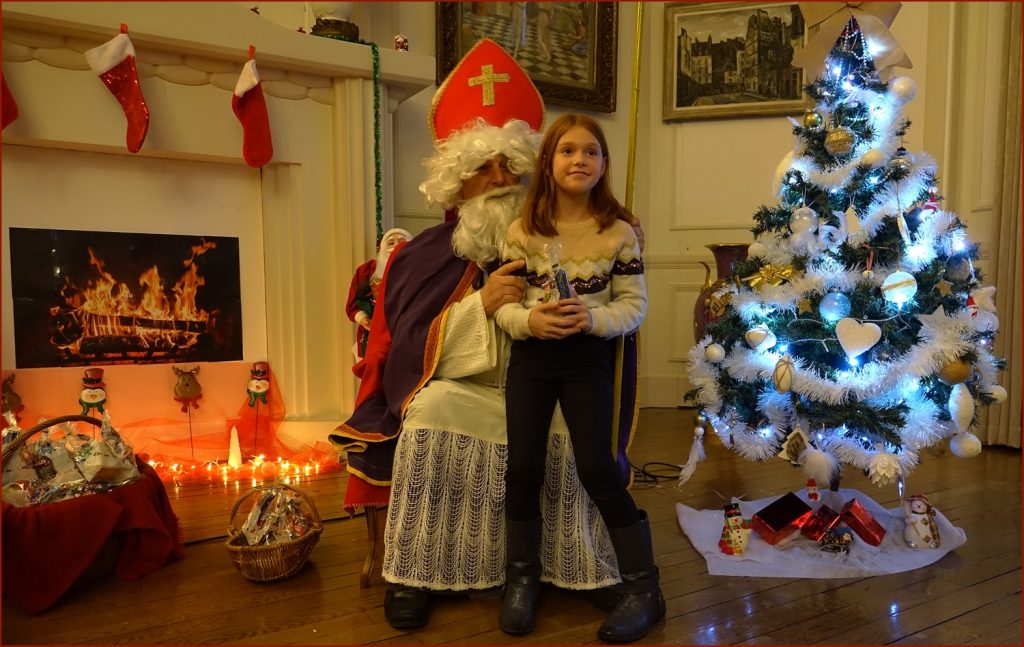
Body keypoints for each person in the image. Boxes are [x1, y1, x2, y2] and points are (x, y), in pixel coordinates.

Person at [329, 39, 643, 631]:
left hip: (552, 377)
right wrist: (480, 305)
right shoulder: (423, 255)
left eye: (511, 165)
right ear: (455, 183)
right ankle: (417, 573)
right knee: (429, 413)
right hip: (468, 388)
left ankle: (580, 565)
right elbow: (406, 352)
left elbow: (619, 300)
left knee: (576, 430)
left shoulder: (574, 233)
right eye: (481, 168)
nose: (499, 179)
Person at [493, 114, 664, 643]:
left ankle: (645, 588)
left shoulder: (618, 234)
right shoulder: (521, 233)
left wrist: (593, 319)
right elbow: (503, 306)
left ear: (604, 164)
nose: (579, 160)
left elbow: (633, 305)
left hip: (588, 358)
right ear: (548, 161)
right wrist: (530, 321)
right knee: (523, 467)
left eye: (591, 151)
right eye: (567, 150)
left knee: (598, 467)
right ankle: (522, 578)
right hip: (533, 359)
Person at [344, 228, 412, 361]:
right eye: (391, 243)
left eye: (401, 241)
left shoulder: (419, 271)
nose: (396, 246)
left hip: (406, 337)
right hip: (372, 337)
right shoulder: (367, 271)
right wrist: (363, 318)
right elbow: (353, 304)